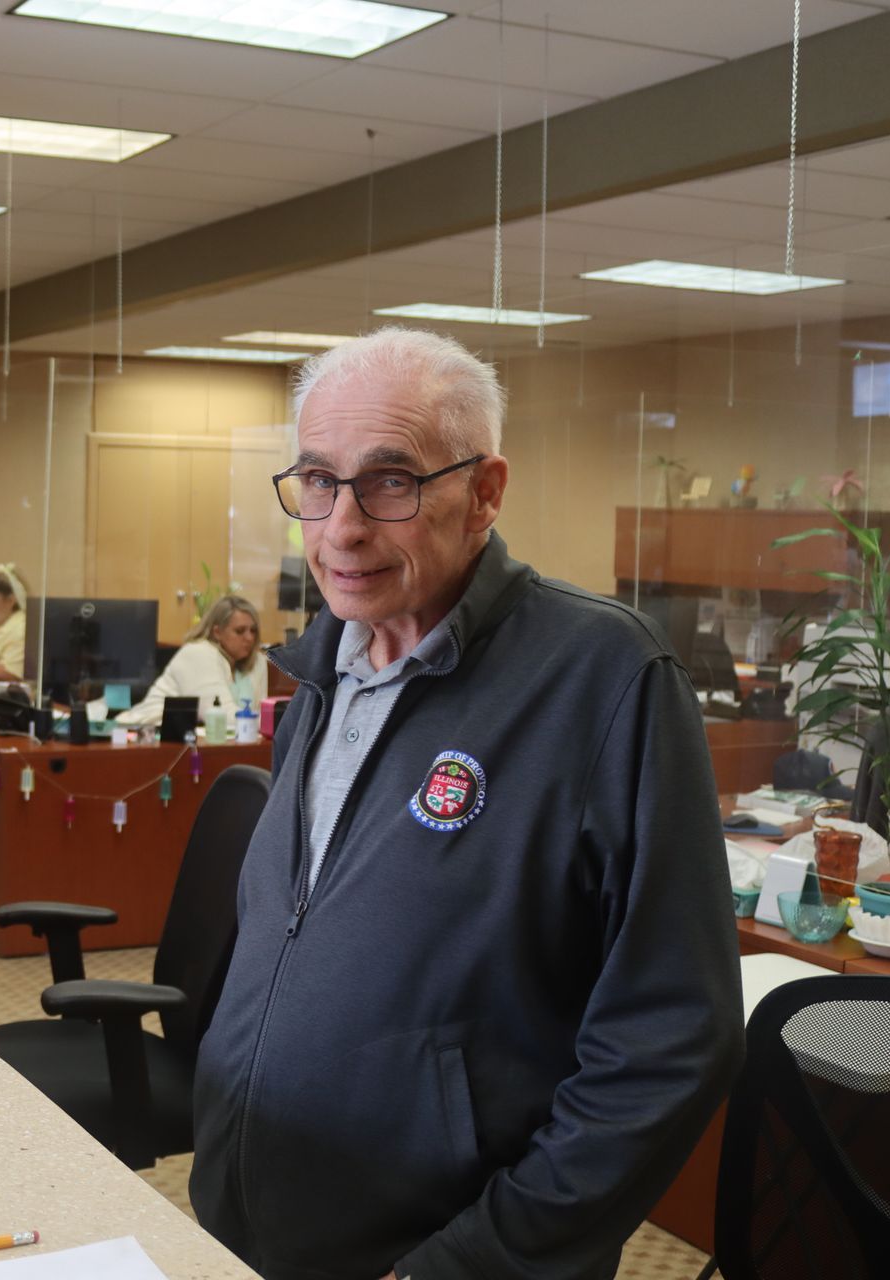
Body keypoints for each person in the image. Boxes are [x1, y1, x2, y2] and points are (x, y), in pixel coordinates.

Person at [189, 328, 743, 1280]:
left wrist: (484, 1260)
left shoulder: (602, 679)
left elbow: (670, 1037)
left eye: (391, 481)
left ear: (486, 493)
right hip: (248, 1228)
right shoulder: (325, 665)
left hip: (438, 1256)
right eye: (318, 481)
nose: (342, 528)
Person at [117, 594, 267, 727]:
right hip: (147, 734)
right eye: (240, 631)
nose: (249, 638)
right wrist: (273, 723)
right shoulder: (198, 653)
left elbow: (261, 713)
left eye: (253, 630)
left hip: (212, 740)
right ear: (217, 632)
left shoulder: (257, 661)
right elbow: (219, 715)